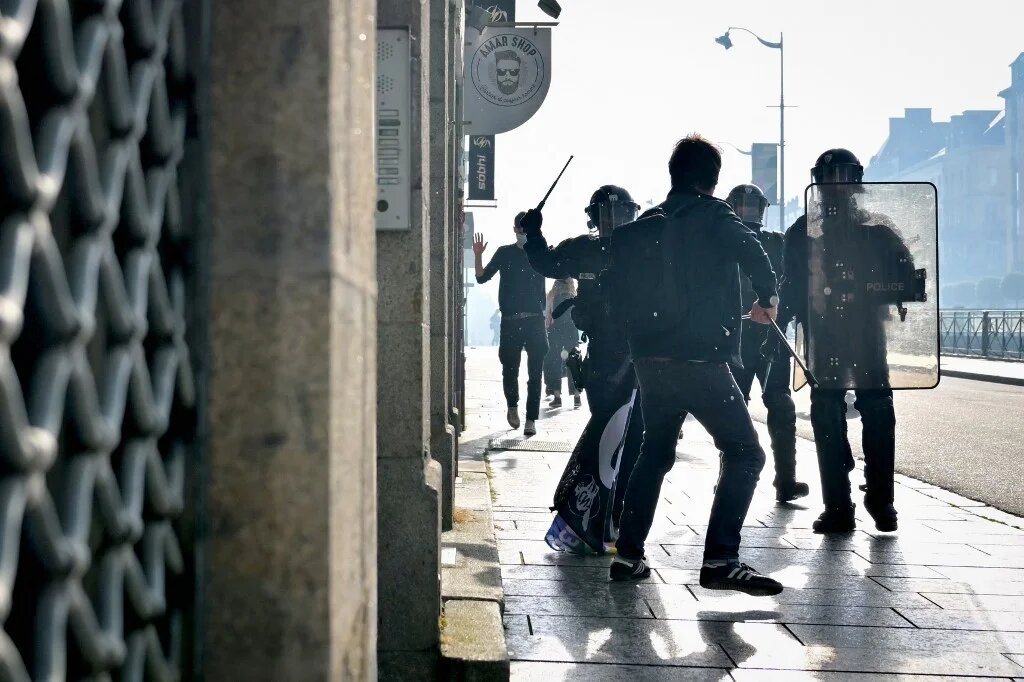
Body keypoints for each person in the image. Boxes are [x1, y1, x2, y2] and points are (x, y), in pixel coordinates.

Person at [609, 135, 783, 596]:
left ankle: (628, 556)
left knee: (655, 450)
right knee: (746, 452)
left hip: (651, 361)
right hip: (700, 360)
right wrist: (768, 297)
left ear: (673, 175)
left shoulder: (648, 222)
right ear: (712, 180)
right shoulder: (714, 214)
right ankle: (721, 560)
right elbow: (754, 254)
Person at [781, 148, 911, 534]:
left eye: (843, 176)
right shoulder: (806, 232)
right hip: (826, 337)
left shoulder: (875, 230)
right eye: (831, 177)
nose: (837, 185)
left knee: (875, 409)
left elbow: (907, 279)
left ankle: (878, 500)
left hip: (862, 335)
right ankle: (841, 504)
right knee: (830, 413)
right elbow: (791, 287)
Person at [519, 185, 645, 555]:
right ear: (594, 218)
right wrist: (534, 235)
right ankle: (591, 512)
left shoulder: (642, 250)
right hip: (604, 357)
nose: (616, 222)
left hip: (638, 356)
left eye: (622, 214)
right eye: (609, 215)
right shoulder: (583, 249)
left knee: (635, 440)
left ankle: (614, 516)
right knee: (606, 433)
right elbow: (545, 264)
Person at [724, 184, 808, 503]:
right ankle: (729, 478)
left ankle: (786, 480)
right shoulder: (724, 243)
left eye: (753, 205)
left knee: (782, 408)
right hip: (736, 340)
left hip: (771, 339)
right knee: (733, 413)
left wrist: (783, 312)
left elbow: (793, 282)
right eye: (743, 205)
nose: (749, 211)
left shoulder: (777, 242)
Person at [474, 213, 548, 436]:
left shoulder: (539, 252)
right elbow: (481, 277)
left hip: (535, 320)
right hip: (510, 321)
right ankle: (513, 406)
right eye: (520, 229)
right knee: (510, 369)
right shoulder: (504, 253)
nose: (523, 233)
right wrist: (478, 255)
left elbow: (557, 268)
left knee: (535, 373)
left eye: (527, 230)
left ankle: (531, 419)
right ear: (514, 229)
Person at [544, 277, 582, 408]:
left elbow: (548, 316)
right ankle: (577, 396)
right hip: (571, 330)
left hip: (556, 330)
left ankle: (557, 396)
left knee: (555, 361)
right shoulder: (575, 296)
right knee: (573, 361)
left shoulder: (551, 296)